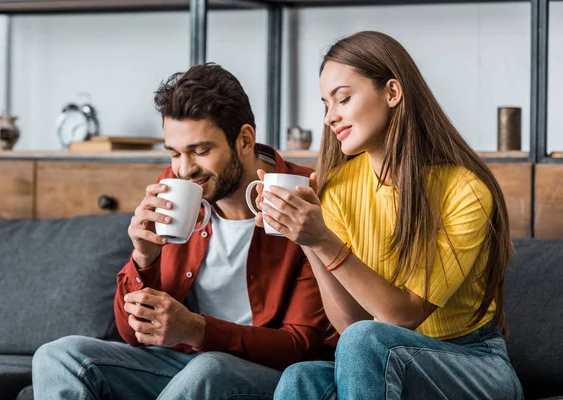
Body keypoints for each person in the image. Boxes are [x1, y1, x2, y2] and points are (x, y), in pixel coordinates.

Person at [31, 63, 331, 400]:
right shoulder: (174, 187)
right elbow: (131, 335)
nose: (185, 169)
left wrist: (197, 330)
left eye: (201, 151)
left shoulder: (301, 196)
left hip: (265, 374)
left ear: (244, 140)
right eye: (174, 153)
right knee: (59, 357)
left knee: (210, 369)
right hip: (181, 363)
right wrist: (143, 257)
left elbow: (303, 346)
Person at [255, 31, 523, 399]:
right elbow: (352, 324)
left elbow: (403, 316)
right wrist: (307, 240)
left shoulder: (465, 190)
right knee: (300, 378)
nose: (331, 117)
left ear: (393, 93)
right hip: (383, 356)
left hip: (474, 361)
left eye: (343, 99)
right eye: (325, 105)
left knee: (368, 342)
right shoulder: (338, 189)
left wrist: (324, 241)